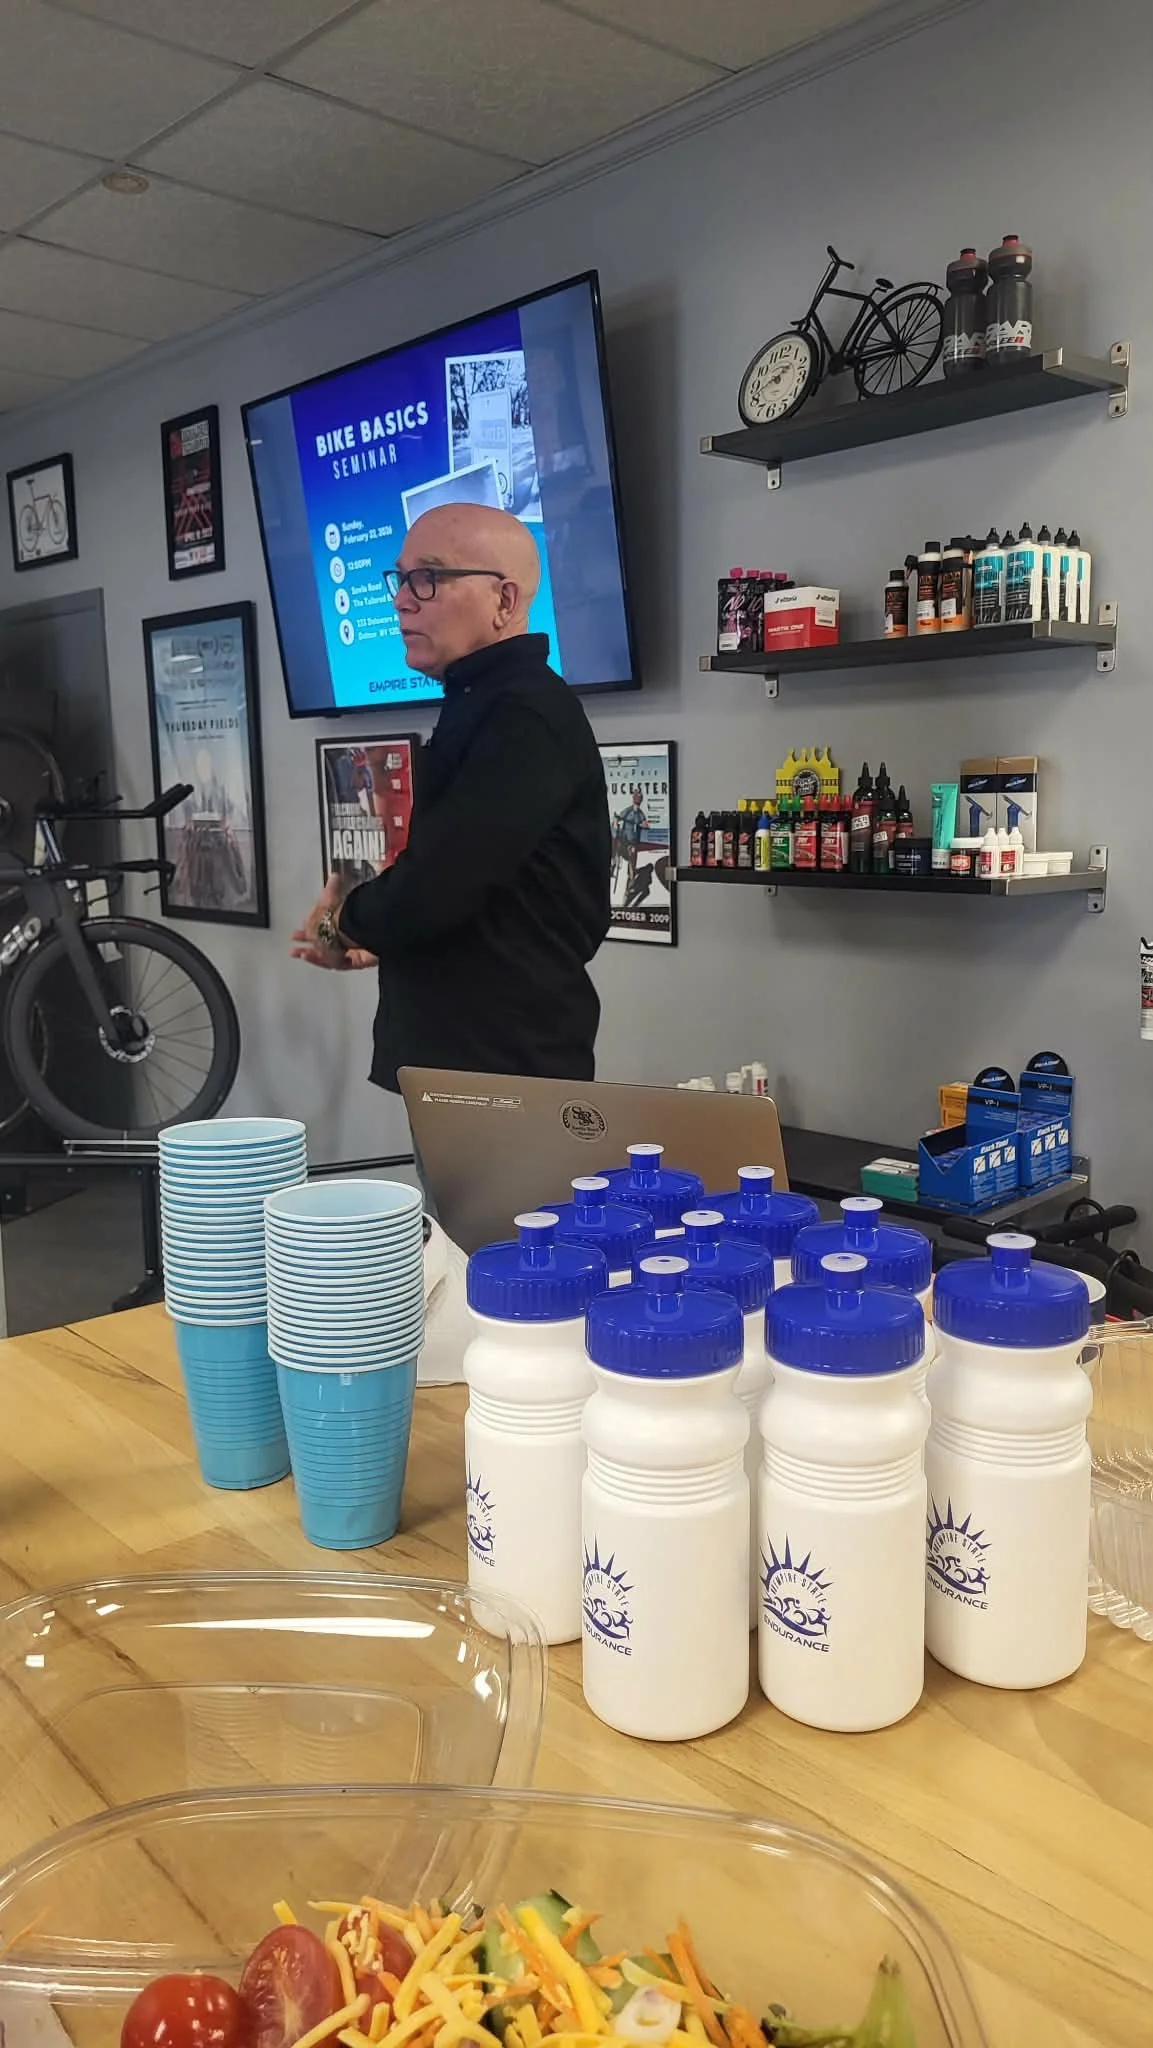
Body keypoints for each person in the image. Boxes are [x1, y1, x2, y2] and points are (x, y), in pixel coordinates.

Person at [292, 502, 611, 1092]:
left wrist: (342, 924)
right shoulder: (482, 702)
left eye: (428, 578)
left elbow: (439, 883)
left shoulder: (521, 714)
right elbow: (486, 893)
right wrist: (397, 942)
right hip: (470, 1059)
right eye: (400, 578)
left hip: (502, 1071)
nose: (401, 600)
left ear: (504, 600)